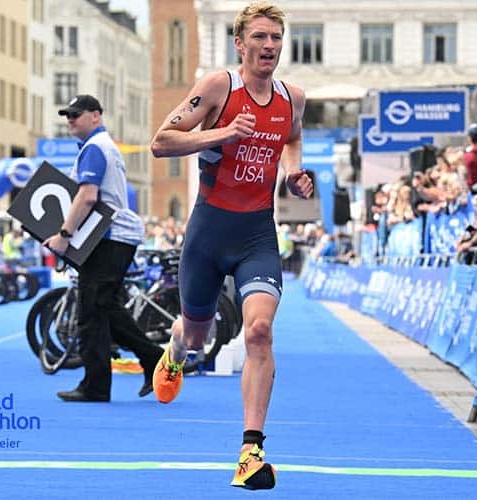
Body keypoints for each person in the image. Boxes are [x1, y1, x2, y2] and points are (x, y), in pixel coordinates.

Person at [148, 2, 312, 490]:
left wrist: (292, 173)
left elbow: (292, 138)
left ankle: (250, 450)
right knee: (199, 336)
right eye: (260, 37)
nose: (269, 46)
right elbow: (161, 141)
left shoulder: (293, 98)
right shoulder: (218, 88)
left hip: (257, 234)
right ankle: (176, 350)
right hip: (207, 232)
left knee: (258, 331)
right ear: (239, 44)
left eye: (276, 38)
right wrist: (222, 131)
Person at [47, 94, 163, 403]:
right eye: (67, 115)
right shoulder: (99, 146)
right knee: (104, 308)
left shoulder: (95, 148)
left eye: (76, 114)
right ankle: (151, 359)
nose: (70, 119)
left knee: (92, 312)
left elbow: (86, 196)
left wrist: (63, 235)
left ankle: (98, 385)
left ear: (96, 116)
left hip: (108, 238)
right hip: (112, 237)